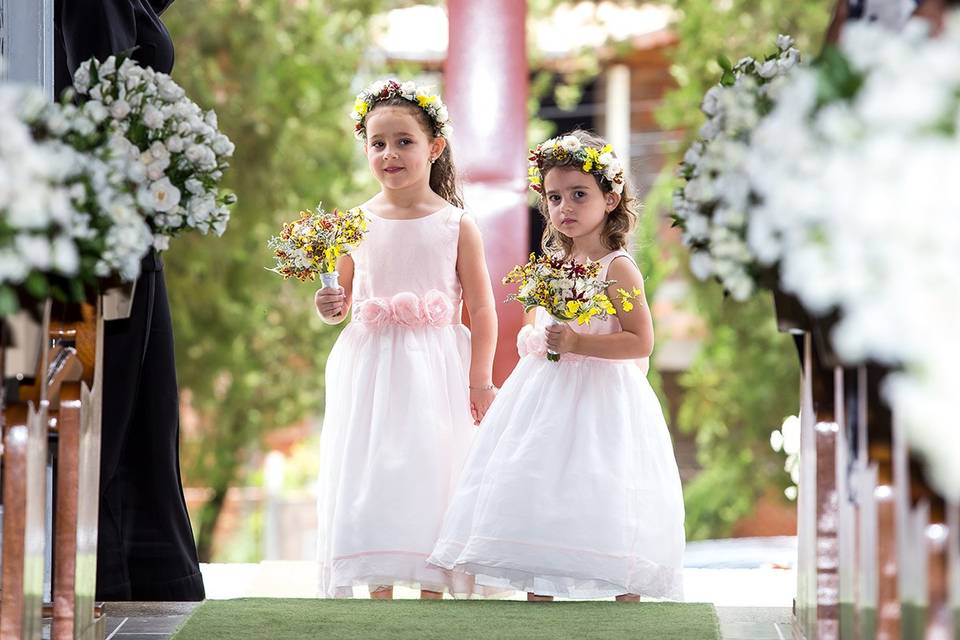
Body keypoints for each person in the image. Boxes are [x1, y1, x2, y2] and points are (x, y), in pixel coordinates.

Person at [428, 130, 685, 602]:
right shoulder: (552, 261)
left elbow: (640, 342)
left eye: (578, 195)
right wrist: (541, 334)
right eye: (554, 197)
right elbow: (541, 323)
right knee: (535, 479)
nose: (564, 207)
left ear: (610, 198)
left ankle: (624, 591)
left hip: (602, 398)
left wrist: (577, 341)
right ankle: (537, 587)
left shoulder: (617, 267)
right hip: (545, 393)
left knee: (601, 482)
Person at [314, 78, 498, 599]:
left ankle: (435, 591)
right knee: (373, 470)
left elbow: (483, 308)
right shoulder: (353, 224)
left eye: (404, 141)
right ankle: (377, 590)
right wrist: (329, 305)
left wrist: (479, 379)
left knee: (432, 468)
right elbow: (340, 301)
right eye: (378, 143)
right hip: (370, 367)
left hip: (437, 366)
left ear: (434, 147)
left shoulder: (457, 224)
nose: (389, 154)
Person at [54, 0, 204, 601]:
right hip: (97, 224)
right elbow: (96, 93)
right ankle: (108, 574)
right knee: (112, 404)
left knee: (145, 405)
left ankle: (140, 573)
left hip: (123, 221)